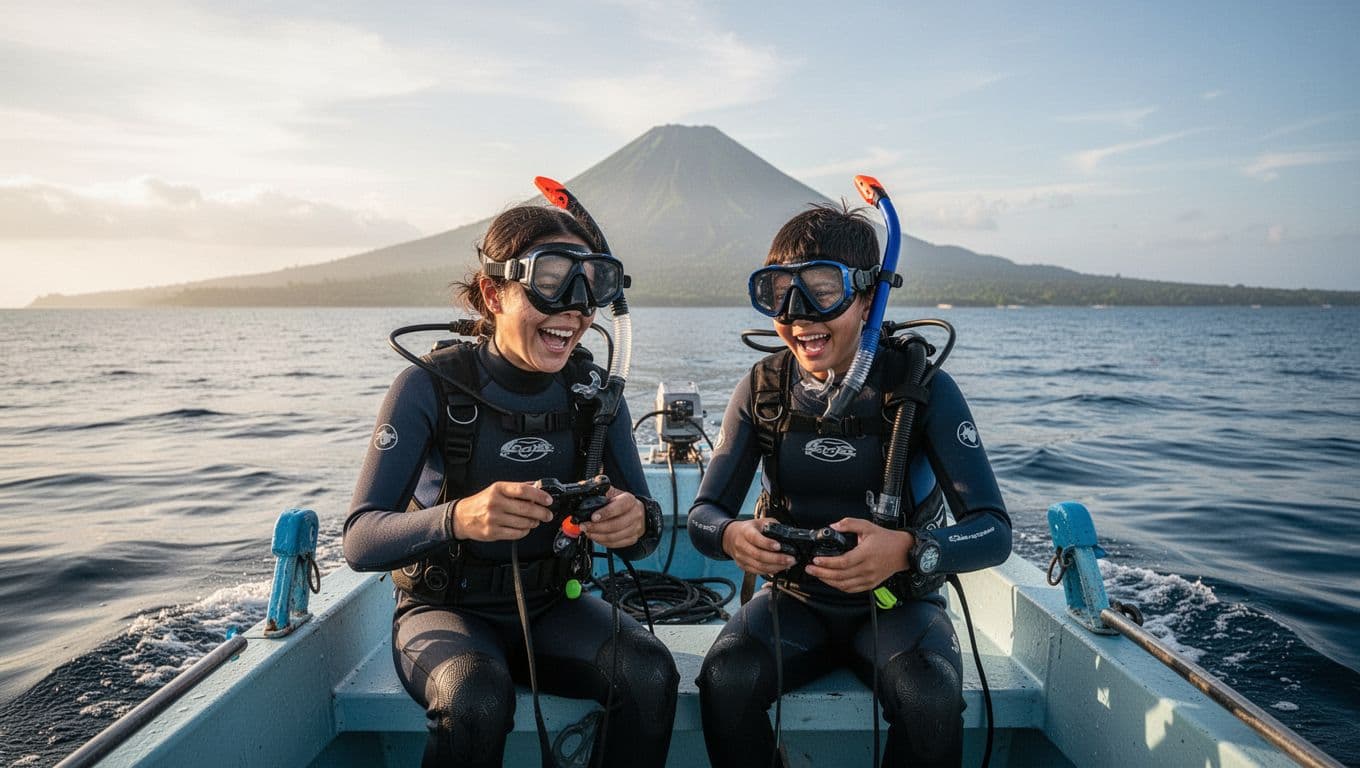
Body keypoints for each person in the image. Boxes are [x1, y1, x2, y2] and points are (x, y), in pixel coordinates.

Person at [343, 203, 678, 768]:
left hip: (556, 605)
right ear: (494, 292)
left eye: (589, 285)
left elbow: (644, 532)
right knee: (475, 696)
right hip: (445, 611)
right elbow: (359, 539)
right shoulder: (428, 386)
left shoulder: (596, 393)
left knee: (649, 674)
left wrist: (635, 521)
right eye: (549, 280)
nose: (572, 308)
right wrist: (458, 517)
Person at [688, 204, 1012, 767]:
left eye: (821, 290)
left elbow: (994, 532)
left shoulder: (920, 389)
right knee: (726, 677)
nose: (798, 316)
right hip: (793, 601)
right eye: (779, 294)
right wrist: (733, 537)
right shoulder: (763, 388)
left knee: (928, 693)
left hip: (897, 607)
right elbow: (704, 514)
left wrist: (908, 550)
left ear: (867, 299)